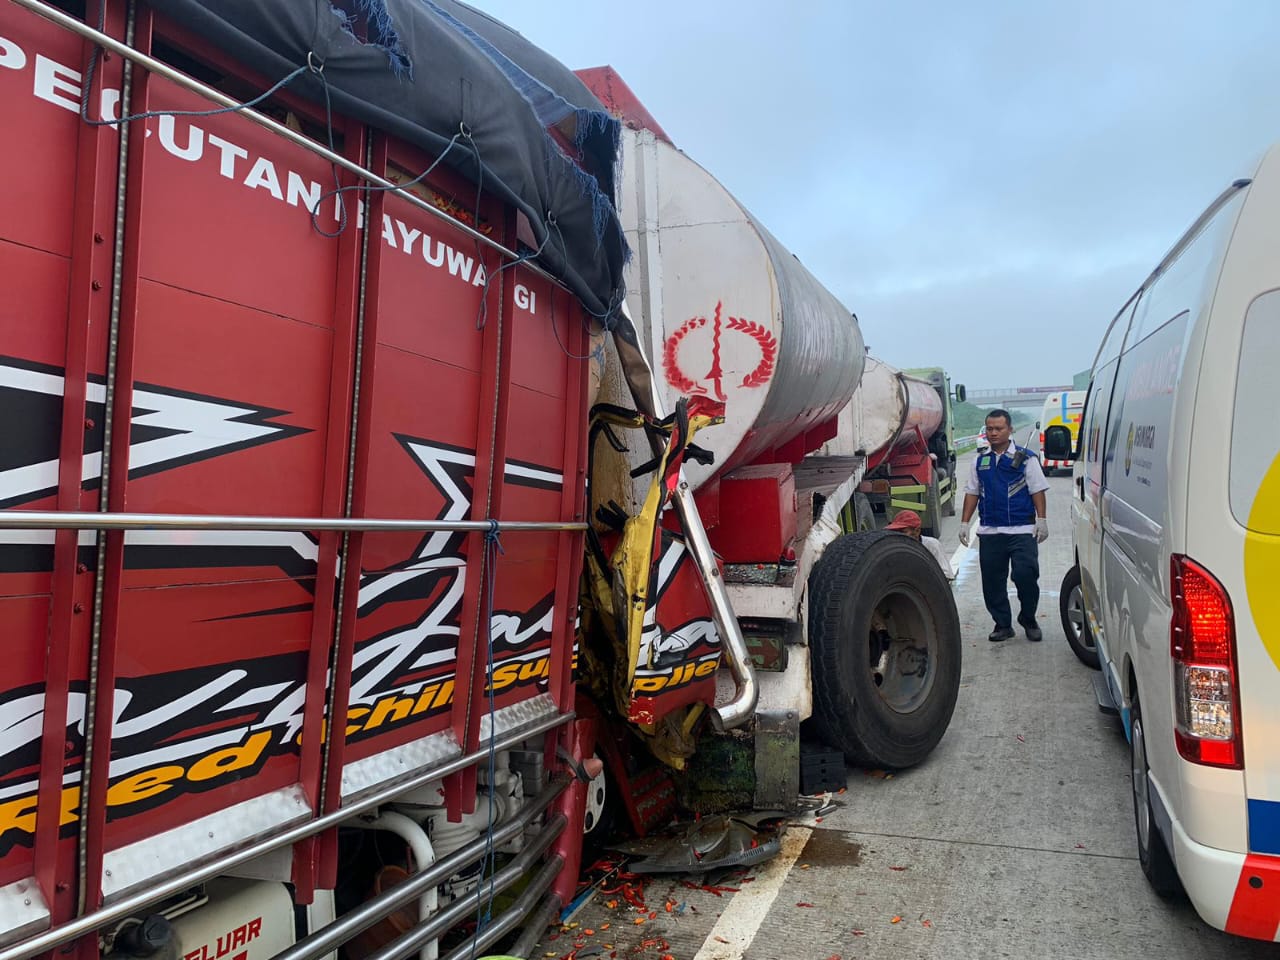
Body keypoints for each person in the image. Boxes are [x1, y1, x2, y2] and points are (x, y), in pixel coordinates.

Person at [958, 409, 1049, 642]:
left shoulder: (1026, 458)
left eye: (999, 428)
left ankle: (1028, 618)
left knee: (1025, 574)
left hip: (1021, 530)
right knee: (992, 582)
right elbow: (972, 492)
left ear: (1010, 430)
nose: (993, 433)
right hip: (990, 532)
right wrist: (964, 523)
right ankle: (1002, 624)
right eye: (989, 429)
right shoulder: (980, 461)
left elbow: (1037, 489)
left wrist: (1042, 519)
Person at [885, 509, 955, 581]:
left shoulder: (931, 545)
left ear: (917, 531)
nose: (898, 535)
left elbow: (946, 575)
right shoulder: (893, 548)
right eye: (895, 532)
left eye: (903, 532)